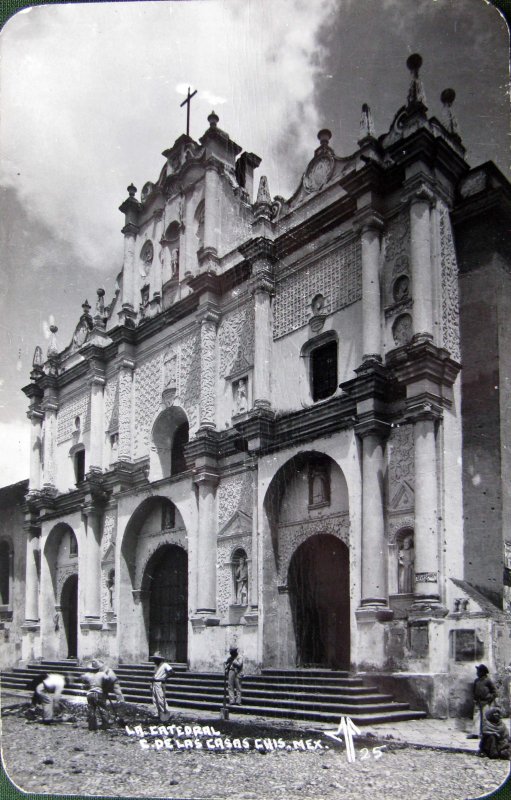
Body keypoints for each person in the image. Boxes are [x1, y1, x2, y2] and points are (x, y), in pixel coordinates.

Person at [469, 664, 498, 738]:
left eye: (478, 671)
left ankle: (485, 733)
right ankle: (475, 733)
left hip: (485, 702)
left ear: (483, 672)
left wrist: (490, 698)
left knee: (485, 718)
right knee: (476, 717)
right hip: (478, 702)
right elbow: (474, 691)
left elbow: (494, 692)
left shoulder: (488, 681)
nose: (477, 673)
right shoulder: (476, 681)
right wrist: (475, 699)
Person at [80, 659, 109, 731]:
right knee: (103, 710)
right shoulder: (102, 674)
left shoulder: (87, 675)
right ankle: (105, 725)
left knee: (91, 710)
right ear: (98, 668)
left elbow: (82, 679)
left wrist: (86, 683)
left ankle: (92, 726)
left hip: (90, 694)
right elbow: (108, 681)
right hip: (99, 693)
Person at [150, 651, 173, 722]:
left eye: (155, 659)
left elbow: (172, 672)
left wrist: (165, 678)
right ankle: (157, 713)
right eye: (154, 659)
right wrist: (151, 683)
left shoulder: (165, 665)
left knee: (161, 699)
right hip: (154, 683)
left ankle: (166, 712)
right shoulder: (156, 666)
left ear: (159, 659)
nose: (154, 660)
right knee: (154, 699)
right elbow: (154, 675)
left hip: (160, 683)